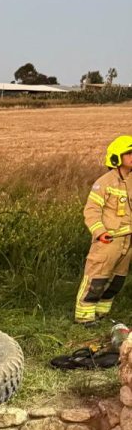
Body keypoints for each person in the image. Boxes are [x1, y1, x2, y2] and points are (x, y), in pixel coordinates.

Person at [76, 135, 132, 324]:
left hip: (127, 239)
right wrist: (100, 232)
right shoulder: (104, 182)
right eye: (129, 153)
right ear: (116, 157)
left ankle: (102, 314)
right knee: (97, 277)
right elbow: (91, 210)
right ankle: (84, 318)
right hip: (107, 239)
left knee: (116, 280)